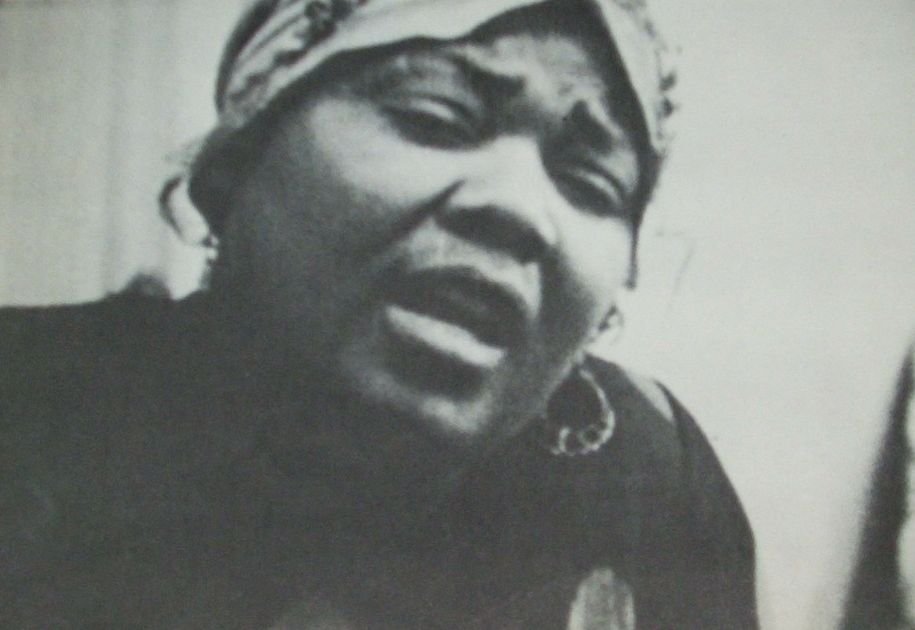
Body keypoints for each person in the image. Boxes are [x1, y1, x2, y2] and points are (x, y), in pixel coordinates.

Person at [0, 0, 758, 627]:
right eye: (436, 118)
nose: (520, 208)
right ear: (236, 161)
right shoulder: (25, 406)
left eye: (591, 183)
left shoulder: (645, 478)